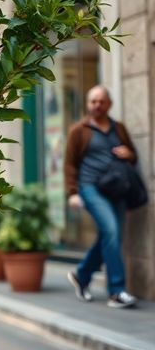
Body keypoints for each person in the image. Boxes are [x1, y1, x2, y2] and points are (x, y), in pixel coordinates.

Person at [65, 85, 138, 308]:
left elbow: (133, 157)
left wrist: (129, 154)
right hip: (90, 188)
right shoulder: (79, 130)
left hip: (116, 189)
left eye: (101, 101)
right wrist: (73, 193)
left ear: (109, 104)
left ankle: (82, 275)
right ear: (88, 105)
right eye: (93, 101)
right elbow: (69, 164)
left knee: (110, 235)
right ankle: (116, 291)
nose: (97, 105)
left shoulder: (119, 129)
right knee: (112, 231)